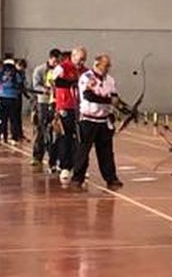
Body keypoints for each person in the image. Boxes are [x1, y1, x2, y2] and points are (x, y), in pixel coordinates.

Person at [71, 53, 122, 189]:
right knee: (83, 150)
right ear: (97, 64)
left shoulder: (109, 79)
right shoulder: (87, 77)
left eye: (109, 65)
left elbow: (114, 96)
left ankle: (111, 178)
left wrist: (120, 107)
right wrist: (109, 101)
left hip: (103, 120)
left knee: (106, 151)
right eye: (106, 65)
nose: (108, 68)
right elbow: (89, 96)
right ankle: (77, 177)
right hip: (88, 119)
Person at [53, 47, 85, 181]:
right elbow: (55, 82)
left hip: (80, 108)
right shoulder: (62, 68)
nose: (82, 62)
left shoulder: (85, 71)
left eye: (84, 59)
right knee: (66, 137)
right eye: (80, 59)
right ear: (73, 56)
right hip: (65, 106)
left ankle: (79, 166)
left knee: (80, 138)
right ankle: (65, 166)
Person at [31, 48, 60, 166]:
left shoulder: (60, 71)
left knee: (56, 130)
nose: (56, 63)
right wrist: (46, 90)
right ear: (50, 58)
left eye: (59, 61)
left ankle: (55, 157)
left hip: (56, 103)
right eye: (55, 61)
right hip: (42, 102)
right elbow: (35, 85)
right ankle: (37, 156)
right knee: (40, 129)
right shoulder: (40, 70)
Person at [0, 57, 24, 142]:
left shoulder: (0, 73)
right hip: (13, 98)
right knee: (13, 119)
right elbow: (20, 84)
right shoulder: (16, 73)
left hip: (2, 97)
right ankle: (14, 138)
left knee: (1, 118)